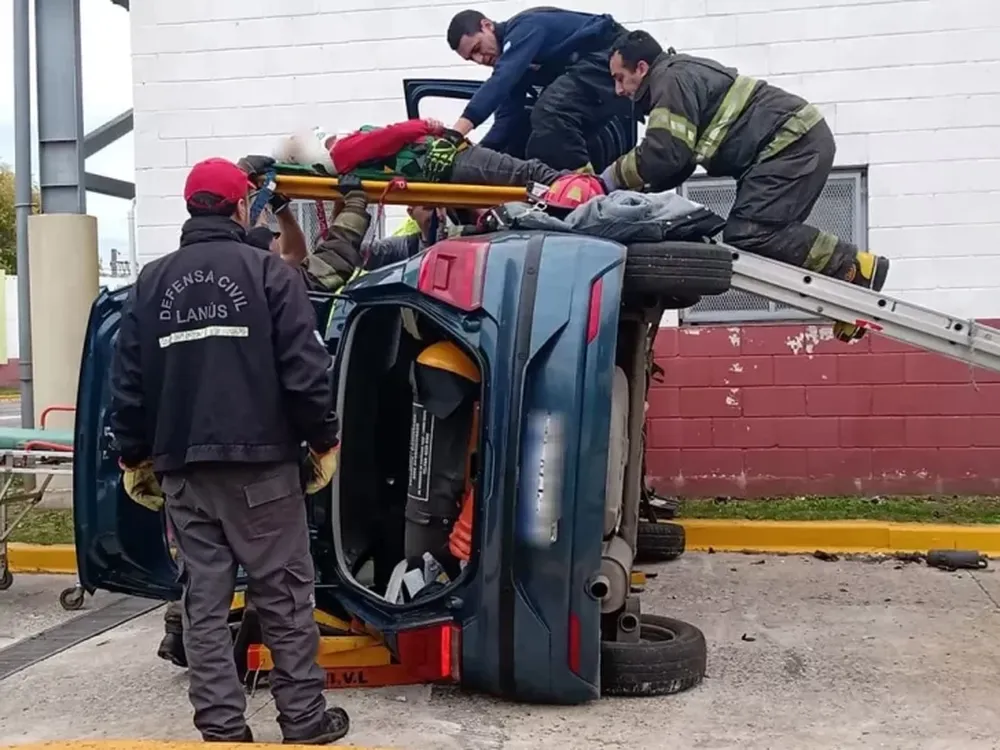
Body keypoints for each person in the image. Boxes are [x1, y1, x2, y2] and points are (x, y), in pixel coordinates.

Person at [110, 156, 350, 744]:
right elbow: (305, 371)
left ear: (191, 208)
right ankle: (304, 722)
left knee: (205, 606)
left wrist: (134, 453)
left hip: (184, 473)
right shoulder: (271, 275)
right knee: (287, 599)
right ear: (242, 207)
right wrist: (323, 436)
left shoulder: (151, 283)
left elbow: (129, 384)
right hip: (262, 469)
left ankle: (221, 729)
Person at [600, 32, 890, 312]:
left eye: (619, 78)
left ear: (641, 68)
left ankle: (853, 265)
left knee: (751, 234)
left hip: (790, 143)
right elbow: (678, 162)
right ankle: (851, 288)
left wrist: (608, 180)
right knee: (768, 236)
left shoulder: (669, 79)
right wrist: (637, 191)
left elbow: (663, 153)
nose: (619, 90)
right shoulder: (678, 75)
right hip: (794, 142)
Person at [445, 8, 628, 171]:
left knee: (550, 111)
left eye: (477, 48)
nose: (480, 59)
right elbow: (507, 120)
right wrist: (476, 156)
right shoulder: (514, 62)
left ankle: (585, 186)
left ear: (487, 25)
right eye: (471, 58)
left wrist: (455, 134)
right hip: (591, 74)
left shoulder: (524, 27)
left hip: (613, 53)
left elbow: (502, 79)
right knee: (536, 143)